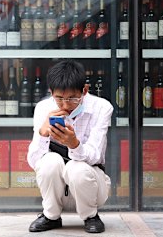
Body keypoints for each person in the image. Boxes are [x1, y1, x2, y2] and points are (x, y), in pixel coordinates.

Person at [26, 60, 113, 233]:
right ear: (51, 93)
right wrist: (43, 135)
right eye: (59, 98)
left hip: (91, 189)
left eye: (72, 98)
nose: (65, 105)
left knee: (77, 167)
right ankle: (51, 215)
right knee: (49, 161)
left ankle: (90, 216)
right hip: (56, 192)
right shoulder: (43, 108)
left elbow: (96, 155)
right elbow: (34, 162)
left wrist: (75, 145)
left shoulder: (102, 107)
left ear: (85, 91)